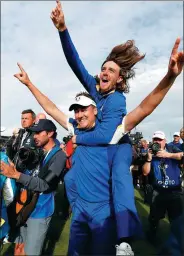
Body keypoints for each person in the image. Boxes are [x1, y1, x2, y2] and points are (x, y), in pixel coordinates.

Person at [14, 53, 183, 255]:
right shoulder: (76, 129)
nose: (79, 114)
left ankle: (125, 239)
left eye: (83, 109)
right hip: (79, 214)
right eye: (76, 110)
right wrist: (29, 84)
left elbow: (145, 107)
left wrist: (170, 77)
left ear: (95, 110)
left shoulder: (114, 133)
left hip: (103, 215)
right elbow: (50, 108)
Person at [51, 0, 184, 251]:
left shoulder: (117, 101)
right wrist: (62, 30)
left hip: (117, 145)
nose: (104, 72)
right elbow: (74, 61)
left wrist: (170, 77)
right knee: (73, 177)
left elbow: (119, 126)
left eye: (110, 70)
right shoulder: (93, 87)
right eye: (103, 68)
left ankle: (124, 241)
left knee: (121, 179)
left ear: (119, 78)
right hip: (99, 146)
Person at [0, 119, 66, 256]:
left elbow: (44, 184)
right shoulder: (37, 152)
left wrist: (16, 174)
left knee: (31, 252)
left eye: (38, 133)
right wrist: (16, 168)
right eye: (33, 133)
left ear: (50, 133)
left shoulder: (59, 156)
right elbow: (29, 176)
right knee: (19, 246)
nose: (34, 136)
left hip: (40, 211)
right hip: (24, 207)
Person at [142, 131, 183, 245]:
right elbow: (145, 172)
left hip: (174, 191)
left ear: (164, 141)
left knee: (177, 220)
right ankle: (152, 235)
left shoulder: (172, 148)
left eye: (160, 140)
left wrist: (168, 155)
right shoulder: (150, 153)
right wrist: (149, 158)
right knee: (154, 218)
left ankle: (176, 241)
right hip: (158, 191)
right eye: (155, 140)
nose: (157, 142)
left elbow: (181, 155)